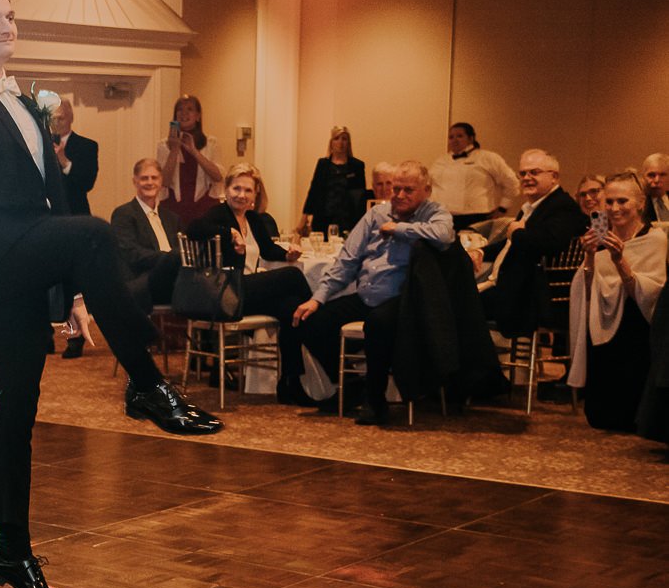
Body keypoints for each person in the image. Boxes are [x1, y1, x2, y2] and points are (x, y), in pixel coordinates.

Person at [0, 0, 220, 588]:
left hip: (34, 261)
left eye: (10, 16)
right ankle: (146, 385)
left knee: (16, 408)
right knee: (96, 230)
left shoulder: (26, 103)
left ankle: (11, 550)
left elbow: (55, 205)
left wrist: (79, 290)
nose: (5, 26)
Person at [289, 161, 456, 425]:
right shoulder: (377, 214)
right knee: (309, 321)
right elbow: (347, 260)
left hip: (404, 300)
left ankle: (375, 399)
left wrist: (399, 230)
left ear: (426, 190)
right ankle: (353, 384)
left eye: (408, 190)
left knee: (378, 323)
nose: (399, 195)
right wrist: (317, 298)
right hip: (367, 294)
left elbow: (444, 235)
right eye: (396, 188)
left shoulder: (434, 213)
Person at [187, 164, 314, 404]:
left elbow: (267, 249)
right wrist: (230, 234)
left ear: (255, 195)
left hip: (247, 293)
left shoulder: (253, 219)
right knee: (293, 277)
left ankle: (290, 382)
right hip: (225, 293)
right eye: (236, 188)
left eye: (247, 190)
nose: (241, 195)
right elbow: (193, 229)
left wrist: (288, 255)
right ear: (226, 189)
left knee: (291, 306)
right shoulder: (218, 214)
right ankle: (318, 326)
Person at [568, 172, 667, 431]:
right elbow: (588, 287)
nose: (614, 209)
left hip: (637, 321)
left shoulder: (654, 239)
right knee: (601, 418)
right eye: (609, 202)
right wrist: (589, 255)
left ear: (640, 204)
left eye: (622, 201)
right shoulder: (600, 234)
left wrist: (619, 260)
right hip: (602, 317)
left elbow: (649, 294)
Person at [478, 149, 587, 336]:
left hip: (529, 298)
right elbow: (510, 243)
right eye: (523, 173)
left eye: (534, 172)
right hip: (512, 289)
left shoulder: (562, 206)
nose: (526, 178)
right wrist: (480, 251)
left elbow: (551, 243)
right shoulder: (533, 207)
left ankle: (477, 363)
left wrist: (518, 232)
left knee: (456, 303)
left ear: (554, 177)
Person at [52, 99, 100, 358]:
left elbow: (86, 182)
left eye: (60, 118)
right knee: (46, 277)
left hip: (76, 219)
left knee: (74, 280)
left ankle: (75, 336)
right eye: (52, 118)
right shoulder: (40, 143)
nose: (56, 123)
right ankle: (44, 335)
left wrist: (62, 159)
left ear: (70, 118)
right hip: (47, 220)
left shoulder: (87, 146)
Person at [110, 158, 182, 308]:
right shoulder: (123, 214)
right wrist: (169, 258)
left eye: (154, 178)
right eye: (144, 178)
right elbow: (131, 253)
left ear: (161, 181)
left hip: (174, 279)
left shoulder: (172, 217)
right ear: (135, 181)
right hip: (144, 280)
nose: (150, 182)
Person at [428, 122, 519, 226]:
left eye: (460, 136)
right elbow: (429, 186)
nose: (455, 140)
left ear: (471, 138)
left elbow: (512, 182)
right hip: (444, 217)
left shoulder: (488, 158)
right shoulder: (440, 161)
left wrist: (503, 208)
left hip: (477, 217)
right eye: (451, 137)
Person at [158, 94, 224, 229]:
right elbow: (163, 181)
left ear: (198, 116)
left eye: (189, 109)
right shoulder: (163, 145)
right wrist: (174, 149)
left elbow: (218, 176)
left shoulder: (211, 143)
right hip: (173, 210)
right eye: (180, 110)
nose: (184, 114)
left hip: (205, 209)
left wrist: (194, 151)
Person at [301, 126, 367, 237]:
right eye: (337, 138)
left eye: (344, 139)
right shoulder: (323, 164)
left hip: (348, 219)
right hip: (323, 217)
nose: (340, 142)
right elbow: (314, 191)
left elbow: (360, 196)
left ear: (348, 142)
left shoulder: (357, 166)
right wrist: (303, 219)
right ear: (331, 142)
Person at [643, 153, 669, 223]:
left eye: (662, 175)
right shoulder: (640, 204)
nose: (657, 180)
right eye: (651, 175)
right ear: (643, 177)